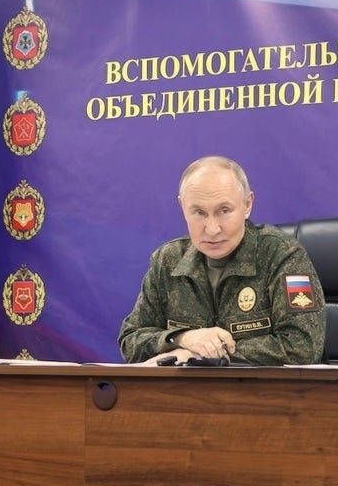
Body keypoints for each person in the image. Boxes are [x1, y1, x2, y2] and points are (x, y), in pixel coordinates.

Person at [117, 155, 325, 365]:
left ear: (247, 204)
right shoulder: (168, 260)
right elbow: (131, 340)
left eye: (224, 211)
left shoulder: (282, 254)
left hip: (263, 394)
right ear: (182, 207)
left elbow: (302, 346)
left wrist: (205, 354)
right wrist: (182, 338)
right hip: (186, 395)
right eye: (199, 212)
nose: (212, 229)